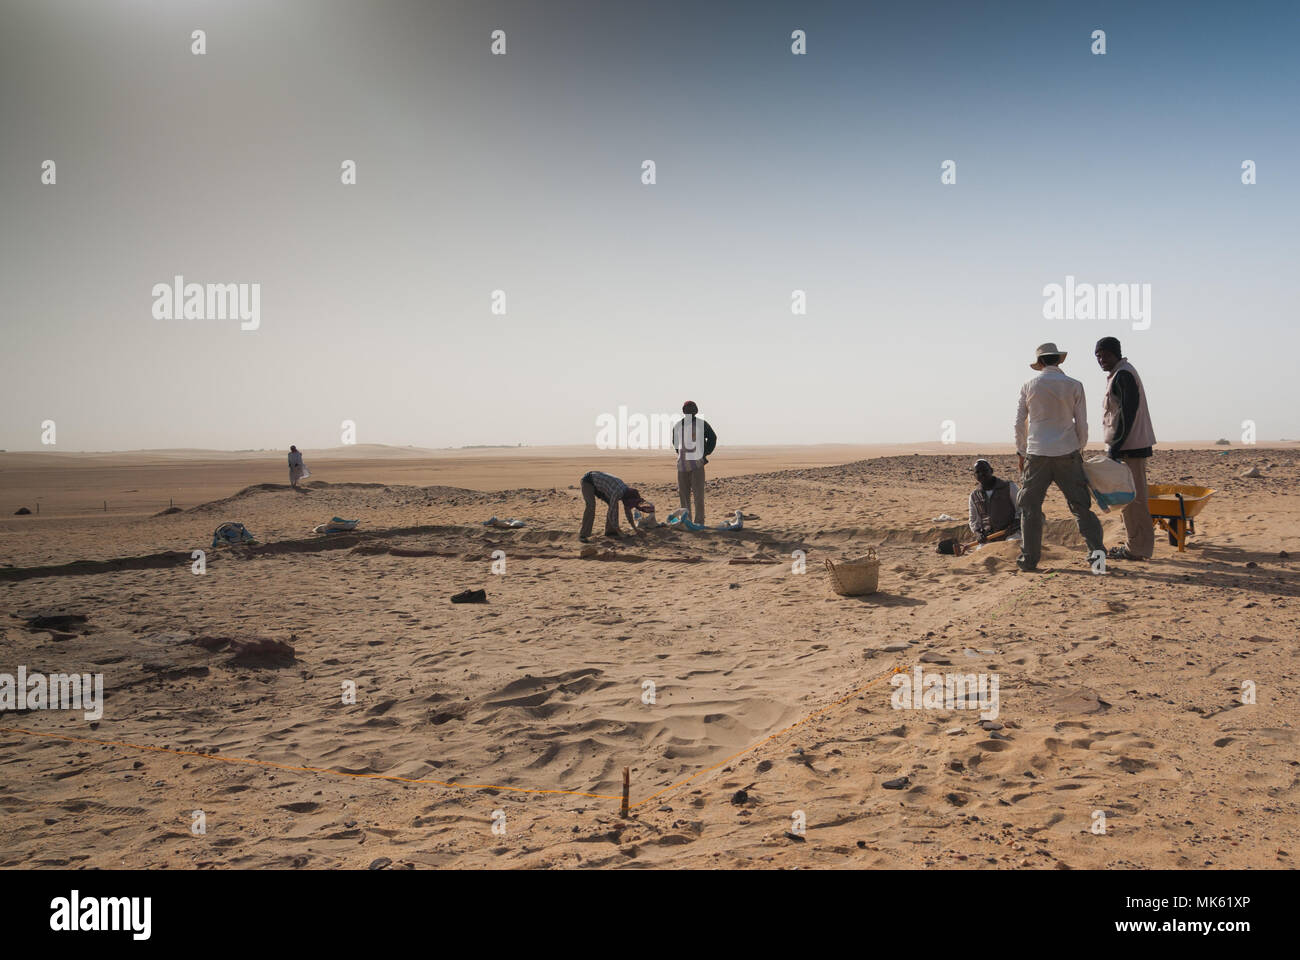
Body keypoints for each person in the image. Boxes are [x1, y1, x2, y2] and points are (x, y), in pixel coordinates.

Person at [1013, 342, 1105, 571]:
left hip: (1037, 453)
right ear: (1058, 360)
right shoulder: (1075, 385)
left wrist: (1021, 451)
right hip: (1067, 452)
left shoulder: (1028, 385)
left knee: (1030, 508)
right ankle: (1097, 560)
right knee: (1081, 507)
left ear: (1041, 362)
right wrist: (1079, 447)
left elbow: (1018, 423)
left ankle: (1029, 560)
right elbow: (1081, 422)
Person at [1095, 336, 1156, 561]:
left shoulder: (1124, 375)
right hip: (1126, 447)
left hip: (1130, 447)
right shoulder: (1118, 375)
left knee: (1135, 500)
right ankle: (1135, 546)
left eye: (1105, 355)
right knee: (1129, 500)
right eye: (1098, 356)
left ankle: (1138, 549)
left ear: (1117, 353)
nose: (1101, 359)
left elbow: (1127, 414)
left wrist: (1116, 446)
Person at [671, 401, 717, 525]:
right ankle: (687, 521)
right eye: (687, 408)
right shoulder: (678, 426)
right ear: (683, 411)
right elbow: (675, 443)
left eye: (692, 408)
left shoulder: (702, 424)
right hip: (682, 465)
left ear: (696, 411)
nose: (690, 410)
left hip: (697, 464)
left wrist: (704, 453)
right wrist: (682, 454)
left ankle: (699, 522)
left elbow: (713, 438)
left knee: (698, 495)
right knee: (684, 496)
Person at [579, 470, 652, 541]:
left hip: (601, 486)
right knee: (591, 506)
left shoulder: (626, 494)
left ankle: (610, 532)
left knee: (613, 506)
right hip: (588, 481)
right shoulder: (618, 492)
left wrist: (636, 530)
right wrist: (619, 531)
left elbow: (628, 512)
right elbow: (612, 511)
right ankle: (583, 535)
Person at [968, 459, 1021, 545]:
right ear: (974, 475)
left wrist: (1015, 524)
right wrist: (978, 534)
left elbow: (1021, 509)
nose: (982, 474)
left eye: (985, 470)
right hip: (989, 537)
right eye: (978, 472)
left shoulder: (1009, 487)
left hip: (1011, 534)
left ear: (991, 471)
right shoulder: (974, 496)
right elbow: (973, 520)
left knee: (1013, 546)